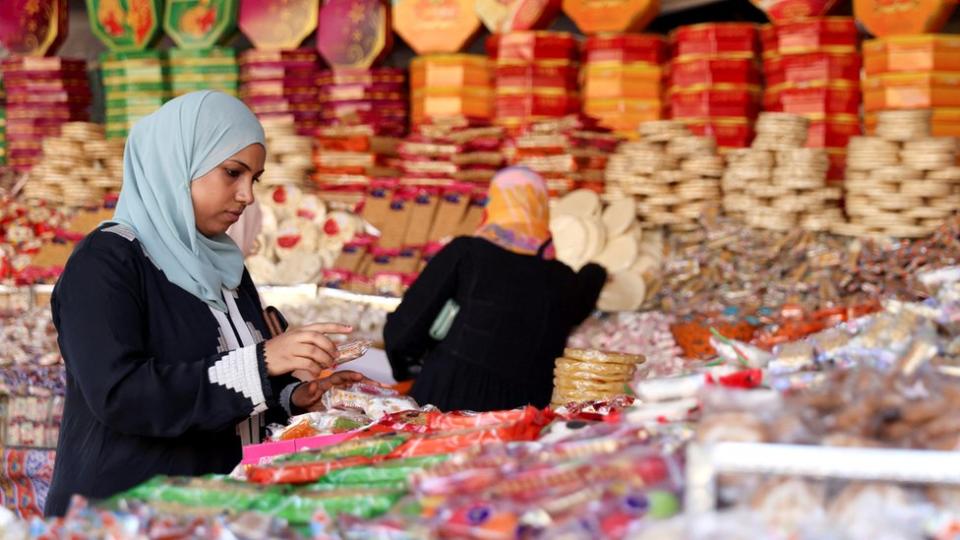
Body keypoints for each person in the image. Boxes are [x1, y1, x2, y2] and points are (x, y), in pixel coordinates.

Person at [45, 91, 372, 517]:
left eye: (254, 178)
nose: (247, 196)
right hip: (126, 515)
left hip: (213, 509)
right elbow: (120, 394)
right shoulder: (107, 262)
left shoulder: (224, 266)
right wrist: (262, 362)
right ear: (178, 164)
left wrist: (294, 399)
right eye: (232, 173)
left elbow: (226, 386)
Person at [384, 167, 607, 412]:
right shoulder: (561, 277)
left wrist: (410, 368)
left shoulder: (467, 254)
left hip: (450, 396)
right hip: (524, 411)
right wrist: (597, 270)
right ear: (542, 209)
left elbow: (407, 325)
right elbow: (583, 297)